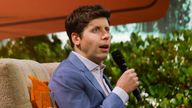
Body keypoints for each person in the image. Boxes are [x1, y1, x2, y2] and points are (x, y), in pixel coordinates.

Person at [49, 4, 139, 108]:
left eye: (107, 29)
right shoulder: (65, 76)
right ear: (76, 39)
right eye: (96, 30)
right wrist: (121, 91)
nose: (106, 36)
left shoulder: (96, 69)